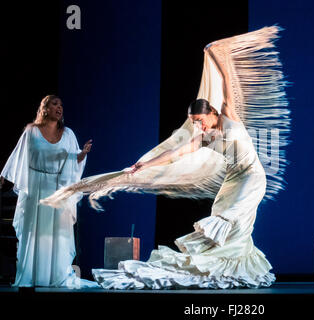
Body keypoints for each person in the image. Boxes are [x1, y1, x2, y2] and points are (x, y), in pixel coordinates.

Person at [42, 26, 290, 289]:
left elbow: (228, 81)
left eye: (199, 120)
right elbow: (174, 154)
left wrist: (215, 53)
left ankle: (229, 268)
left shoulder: (229, 116)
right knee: (233, 233)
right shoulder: (204, 138)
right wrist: (143, 164)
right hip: (231, 181)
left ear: (211, 112)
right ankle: (225, 270)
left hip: (251, 178)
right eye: (194, 122)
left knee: (229, 220)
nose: (198, 126)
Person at [0, 95, 97, 287]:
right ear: (45, 109)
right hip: (36, 188)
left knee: (55, 235)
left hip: (57, 188)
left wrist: (82, 154)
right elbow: (17, 155)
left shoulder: (68, 134)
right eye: (54, 104)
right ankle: (32, 275)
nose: (59, 107)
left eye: (61, 105)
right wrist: (4, 174)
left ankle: (55, 276)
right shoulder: (31, 131)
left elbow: (72, 161)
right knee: (34, 233)